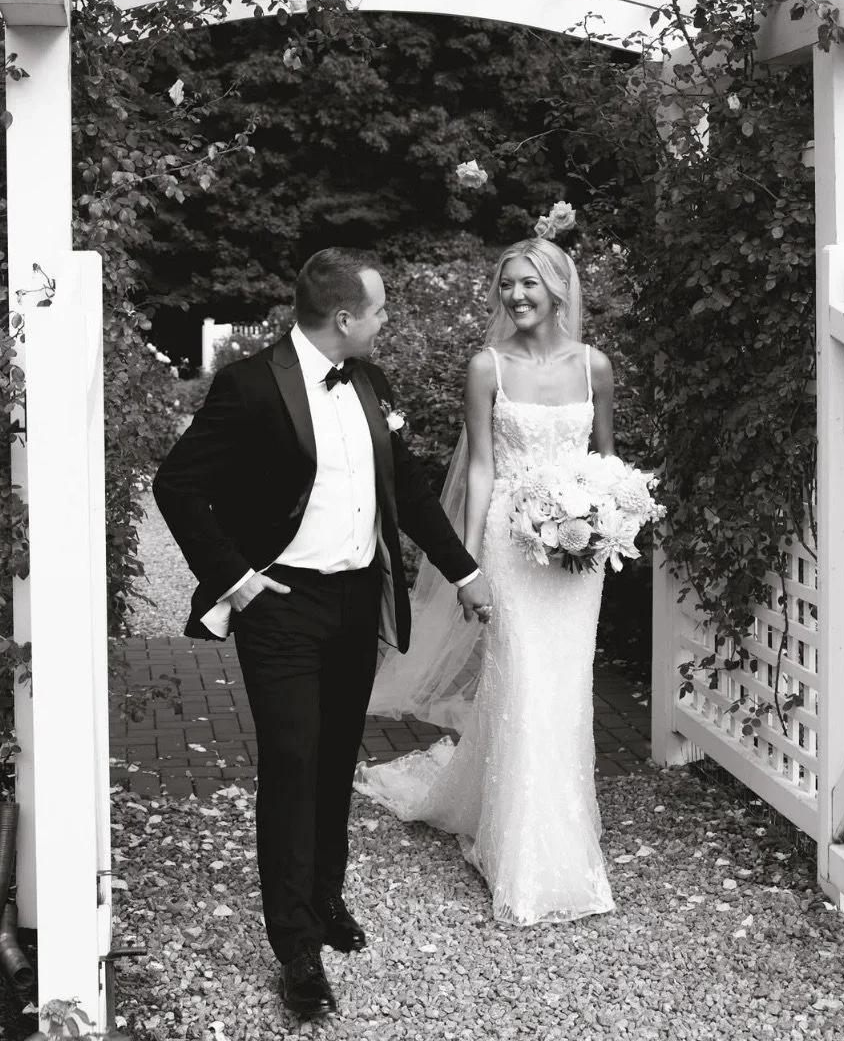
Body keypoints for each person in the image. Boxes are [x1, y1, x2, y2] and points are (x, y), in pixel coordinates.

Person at [152, 247, 493, 1020]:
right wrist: (238, 580)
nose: (385, 320)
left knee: (336, 754)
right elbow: (176, 485)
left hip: (353, 603)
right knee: (293, 757)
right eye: (378, 310)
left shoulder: (371, 382)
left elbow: (405, 485)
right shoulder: (248, 387)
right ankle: (295, 946)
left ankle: (326, 898)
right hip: (282, 606)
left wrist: (465, 573)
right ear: (344, 317)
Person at [355, 237, 617, 925]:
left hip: (575, 557)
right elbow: (478, 468)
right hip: (510, 543)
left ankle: (558, 823)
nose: (516, 297)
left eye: (528, 284)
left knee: (565, 690)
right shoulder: (485, 366)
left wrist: (605, 521)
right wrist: (465, 562)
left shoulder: (594, 366)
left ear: (558, 288)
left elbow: (606, 463)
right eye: (506, 286)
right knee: (524, 681)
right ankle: (520, 851)